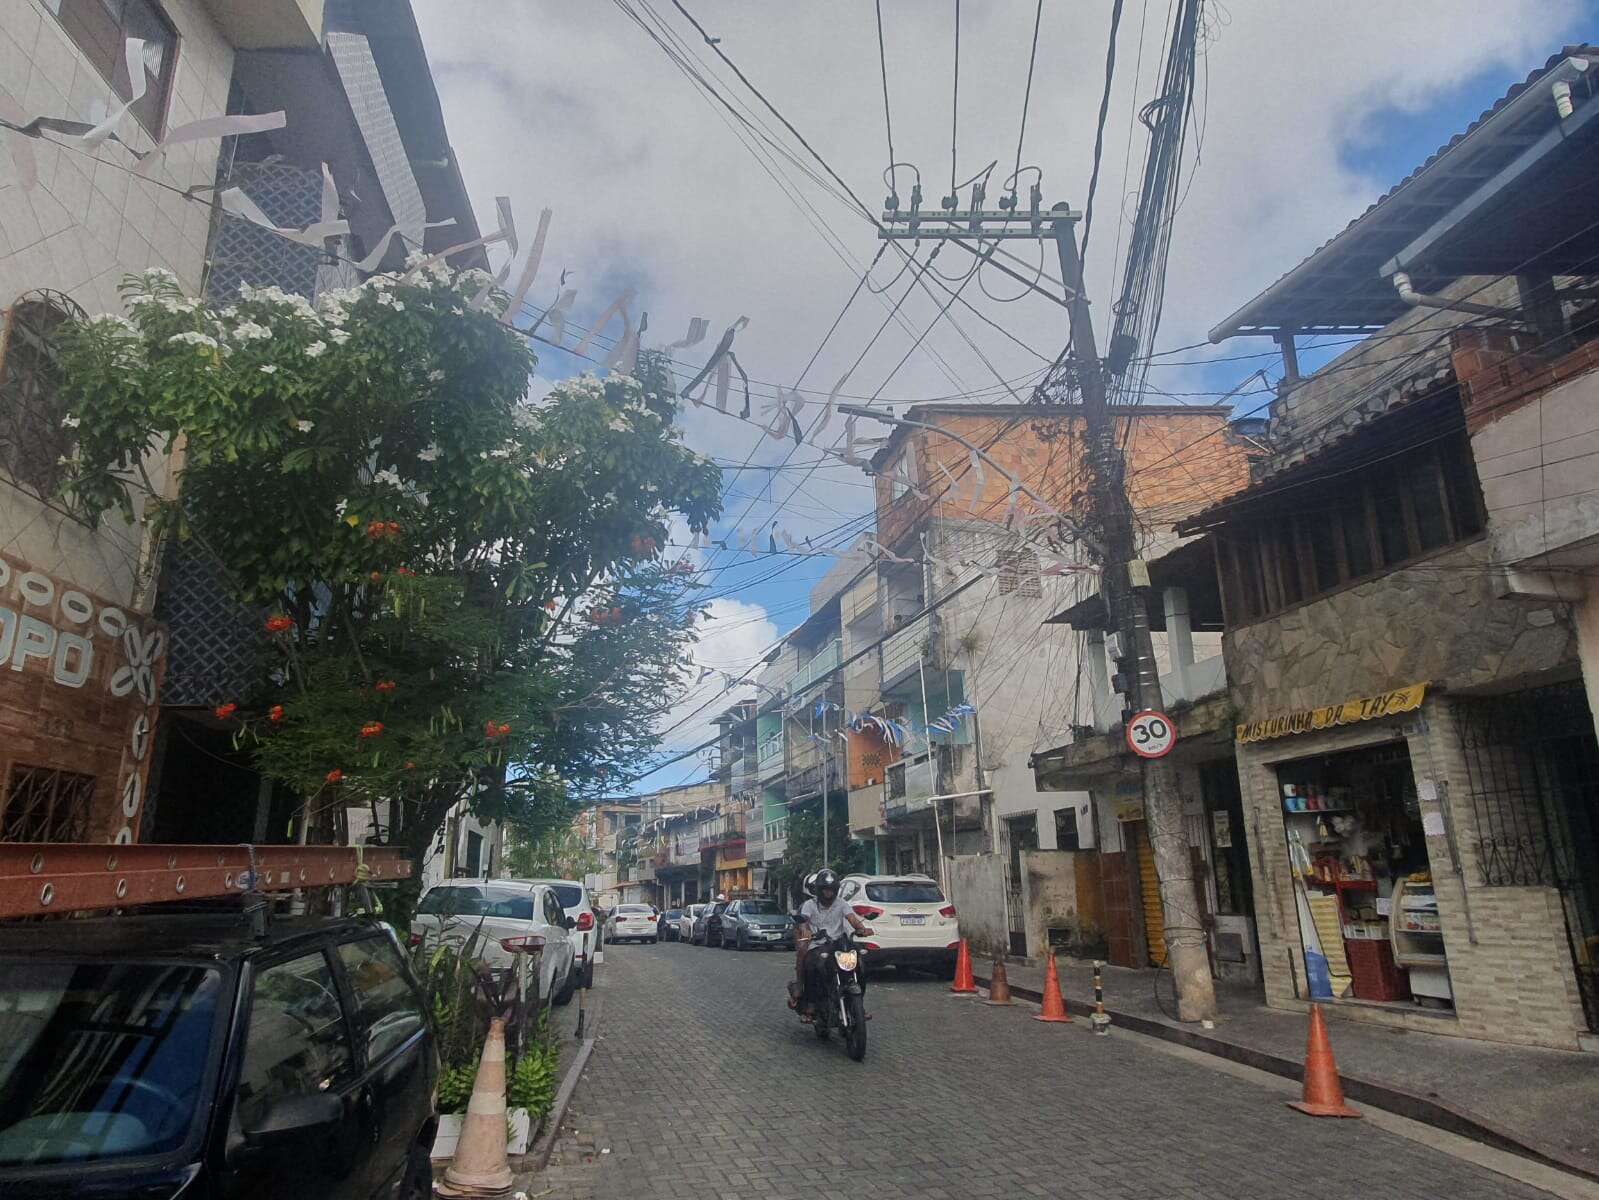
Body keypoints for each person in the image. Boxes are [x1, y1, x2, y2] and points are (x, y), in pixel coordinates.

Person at [789, 869, 872, 1017]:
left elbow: (852, 919)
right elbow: (804, 922)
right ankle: (810, 1001)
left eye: (831, 890)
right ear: (819, 890)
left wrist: (862, 929)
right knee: (812, 966)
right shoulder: (809, 905)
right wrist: (805, 930)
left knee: (860, 966)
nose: (828, 893)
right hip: (818, 945)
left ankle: (859, 1005)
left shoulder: (842, 904)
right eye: (825, 890)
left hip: (839, 945)